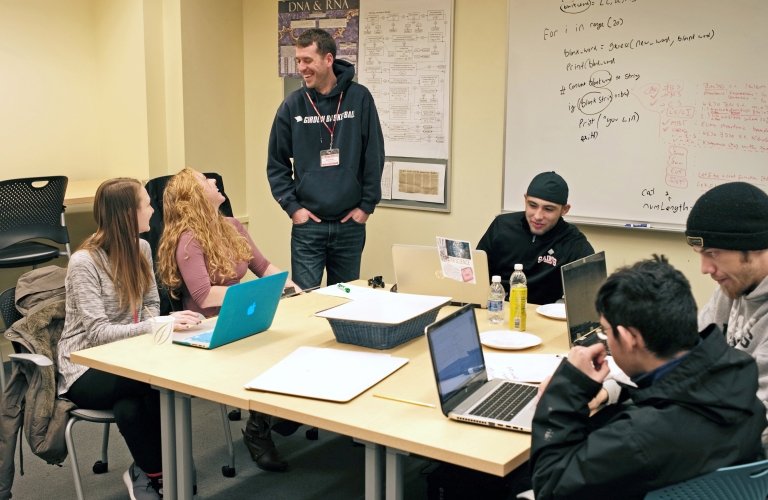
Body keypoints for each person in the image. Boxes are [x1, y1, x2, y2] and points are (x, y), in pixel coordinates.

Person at [530, 255, 766, 499]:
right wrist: (614, 391)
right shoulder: (738, 374)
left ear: (631, 338)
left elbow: (549, 484)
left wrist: (568, 386)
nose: (605, 340)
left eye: (606, 332)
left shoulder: (637, 438)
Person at [57, 178, 201, 500]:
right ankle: (168, 469)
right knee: (157, 383)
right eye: (146, 203)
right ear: (128, 213)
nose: (152, 209)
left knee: (129, 408)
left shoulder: (142, 248)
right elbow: (97, 334)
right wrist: (157, 326)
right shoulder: (84, 262)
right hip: (84, 367)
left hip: (129, 357)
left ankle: (151, 472)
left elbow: (151, 304)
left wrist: (158, 321)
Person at [156, 167, 300, 473]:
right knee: (275, 356)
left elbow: (263, 266)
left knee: (299, 341)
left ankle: (277, 415)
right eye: (204, 181)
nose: (214, 181)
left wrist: (289, 285)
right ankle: (259, 430)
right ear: (193, 197)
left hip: (243, 316)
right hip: (209, 328)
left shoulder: (233, 225)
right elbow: (205, 296)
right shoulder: (188, 240)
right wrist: (256, 292)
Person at [267, 27, 385, 289]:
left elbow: (374, 156)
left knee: (344, 302)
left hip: (349, 225)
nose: (301, 68)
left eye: (307, 60)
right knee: (304, 301)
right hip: (308, 227)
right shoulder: (292, 105)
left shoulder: (359, 98)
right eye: (298, 60)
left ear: (328, 59)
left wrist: (366, 206)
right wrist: (293, 208)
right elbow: (276, 164)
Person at [685, 181, 768, 452]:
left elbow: (755, 424)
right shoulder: (733, 286)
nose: (705, 268)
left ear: (754, 247)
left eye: (713, 254)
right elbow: (687, 355)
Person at [477, 171, 594, 305]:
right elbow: (478, 273)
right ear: (525, 199)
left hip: (543, 317)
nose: (538, 216)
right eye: (532, 205)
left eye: (548, 209)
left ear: (564, 210)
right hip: (497, 309)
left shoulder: (573, 241)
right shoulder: (502, 225)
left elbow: (590, 294)